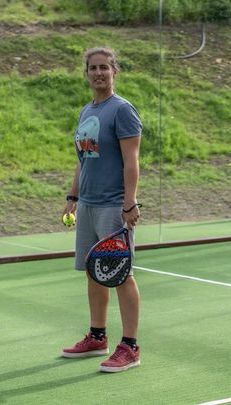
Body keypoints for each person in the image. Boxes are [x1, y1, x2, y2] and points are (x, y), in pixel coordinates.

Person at [61, 47, 143, 373]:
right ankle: (98, 336)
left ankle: (131, 346)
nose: (98, 73)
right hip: (90, 205)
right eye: (93, 68)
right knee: (93, 270)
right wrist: (73, 197)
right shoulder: (86, 111)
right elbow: (84, 160)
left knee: (121, 274)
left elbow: (131, 161)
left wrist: (130, 202)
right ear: (86, 73)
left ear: (114, 72)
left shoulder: (122, 111)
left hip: (113, 205)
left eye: (104, 68)